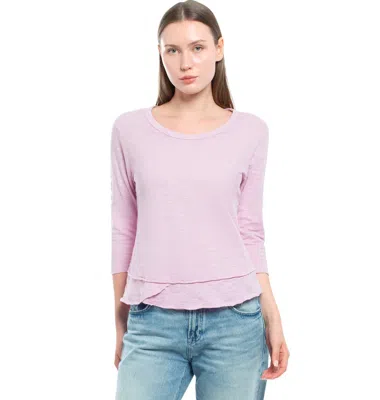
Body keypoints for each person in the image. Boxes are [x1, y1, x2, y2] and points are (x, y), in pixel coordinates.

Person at [111, 1, 289, 399]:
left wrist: (273, 317)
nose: (185, 63)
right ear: (160, 54)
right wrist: (120, 321)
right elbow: (124, 229)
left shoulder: (251, 131)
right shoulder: (130, 130)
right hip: (152, 323)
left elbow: (249, 231)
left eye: (197, 48)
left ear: (219, 49)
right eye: (172, 50)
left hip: (236, 324)